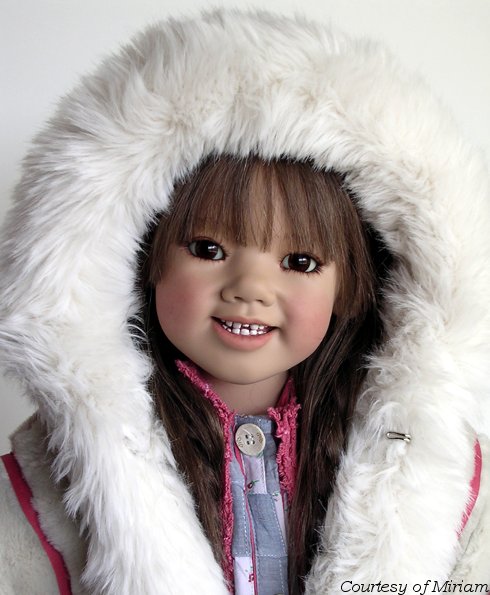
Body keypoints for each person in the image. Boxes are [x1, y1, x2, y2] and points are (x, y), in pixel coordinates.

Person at [0, 10, 489, 595]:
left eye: (300, 262)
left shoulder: (441, 477)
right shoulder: (55, 476)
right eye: (208, 249)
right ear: (138, 256)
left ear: (354, 284)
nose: (249, 288)